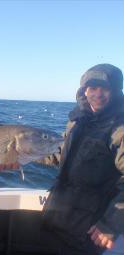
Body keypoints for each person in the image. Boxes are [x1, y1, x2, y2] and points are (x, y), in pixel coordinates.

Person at [41, 63, 124, 254]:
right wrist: (18, 157)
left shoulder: (120, 129)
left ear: (116, 92)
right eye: (92, 88)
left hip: (87, 229)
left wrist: (110, 225)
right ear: (84, 91)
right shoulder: (78, 120)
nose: (98, 94)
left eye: (105, 88)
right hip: (58, 215)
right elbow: (61, 155)